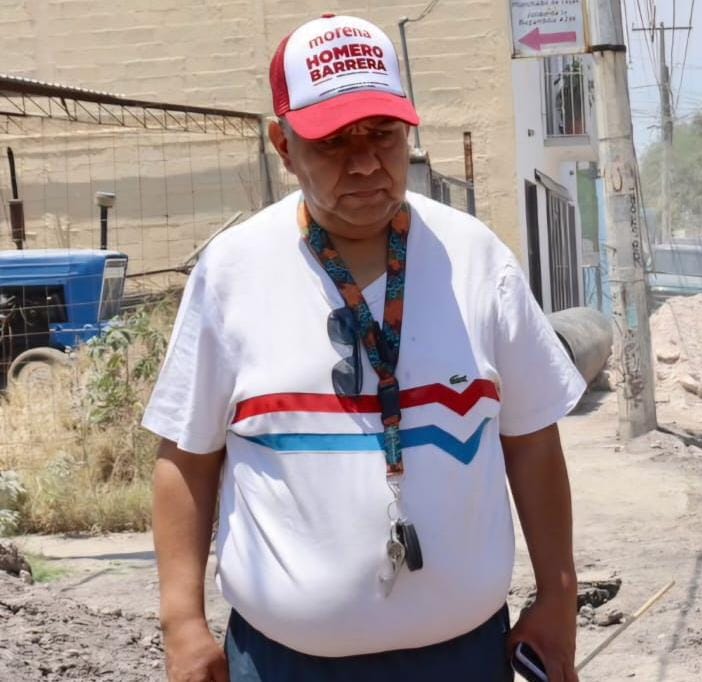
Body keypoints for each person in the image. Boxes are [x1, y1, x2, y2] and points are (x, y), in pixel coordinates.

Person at [144, 13, 585, 682]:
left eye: (382, 134)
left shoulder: (477, 261)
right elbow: (186, 455)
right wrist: (182, 624)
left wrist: (559, 598)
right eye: (331, 142)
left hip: (463, 658)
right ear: (283, 146)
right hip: (281, 663)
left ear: (408, 132)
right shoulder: (232, 272)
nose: (364, 162)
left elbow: (531, 441)